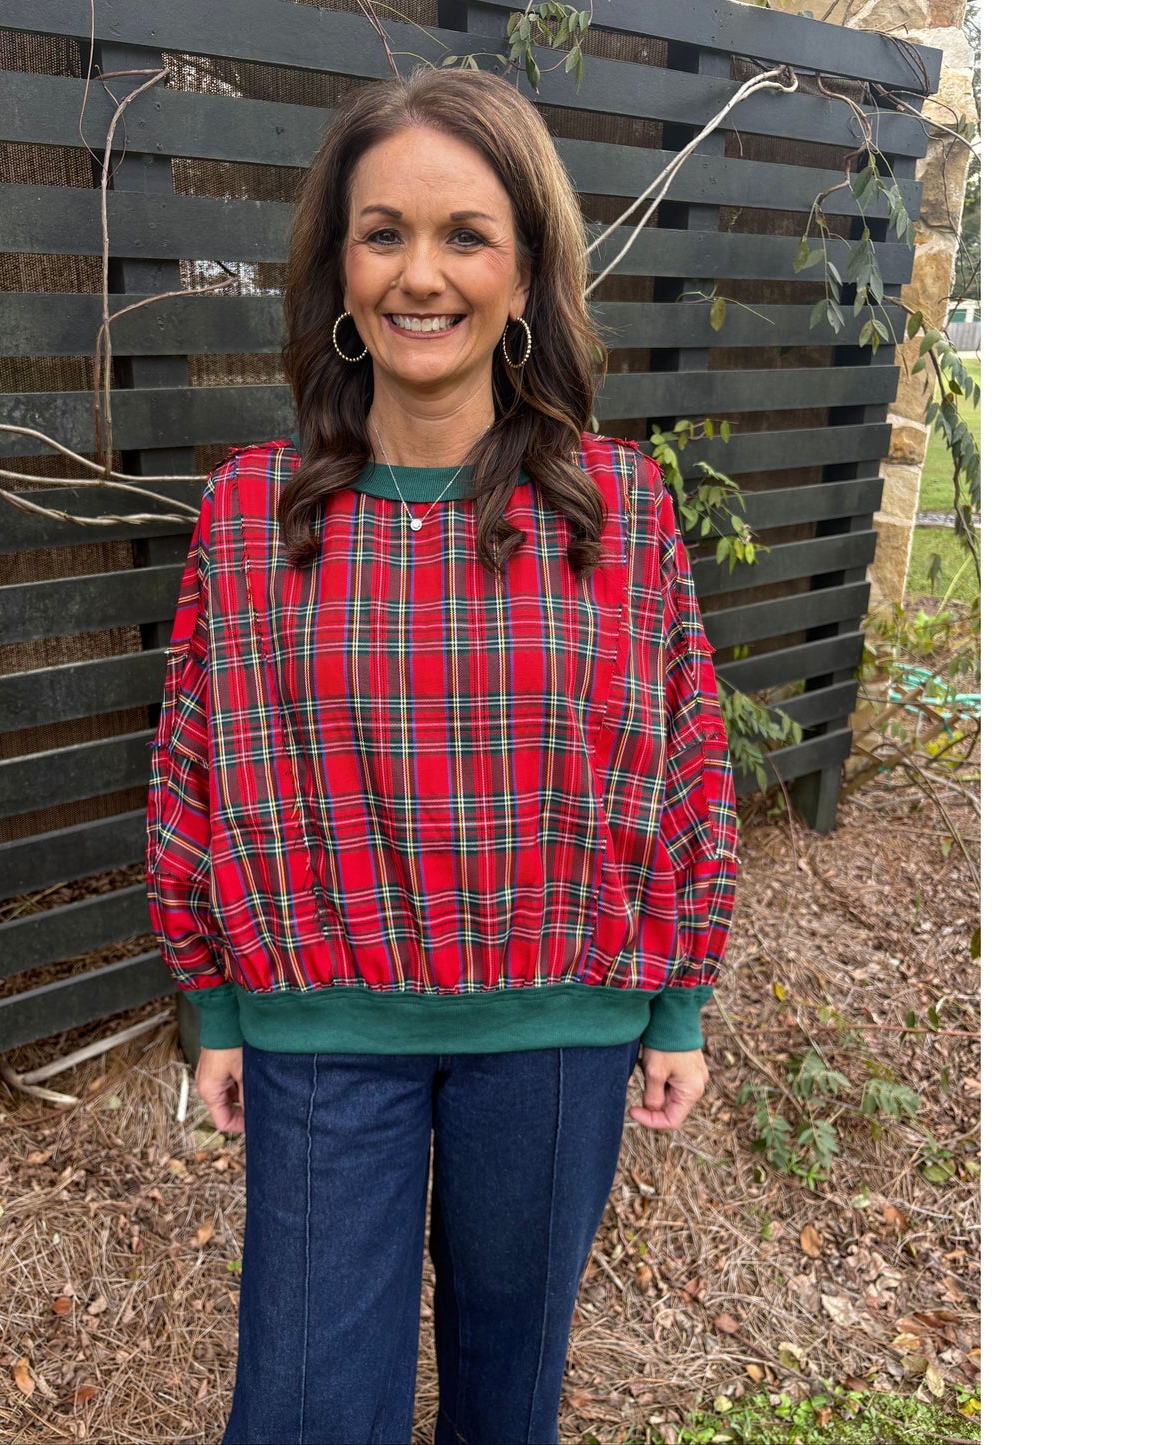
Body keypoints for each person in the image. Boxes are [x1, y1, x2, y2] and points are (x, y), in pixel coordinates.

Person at [145, 67, 738, 1445]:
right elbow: (194, 767)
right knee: (303, 1408)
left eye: (464, 235)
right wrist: (214, 1003)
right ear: (339, 270)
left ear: (524, 273)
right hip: (321, 1033)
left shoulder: (617, 510)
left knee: (507, 1399)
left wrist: (678, 1003)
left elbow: (685, 763)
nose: (421, 274)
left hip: (557, 1032)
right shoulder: (251, 514)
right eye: (384, 233)